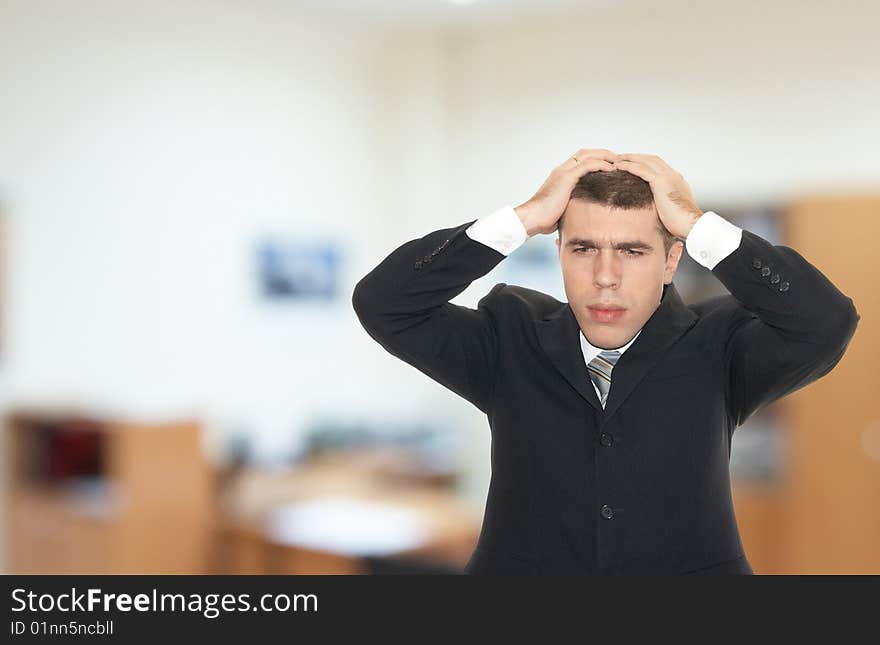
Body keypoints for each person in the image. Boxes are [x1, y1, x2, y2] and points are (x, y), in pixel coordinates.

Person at [351, 148, 860, 575]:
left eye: (633, 251)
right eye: (583, 248)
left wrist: (698, 224)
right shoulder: (509, 336)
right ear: (560, 252)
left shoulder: (719, 344)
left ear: (671, 260)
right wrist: (524, 217)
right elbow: (384, 302)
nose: (605, 276)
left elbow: (826, 323)